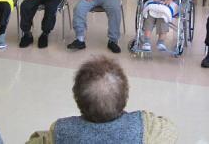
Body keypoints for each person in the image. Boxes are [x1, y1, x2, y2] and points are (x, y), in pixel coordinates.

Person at [26, 56, 178, 144]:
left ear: (77, 98)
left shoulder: (58, 133)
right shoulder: (149, 129)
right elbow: (171, 131)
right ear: (125, 95)